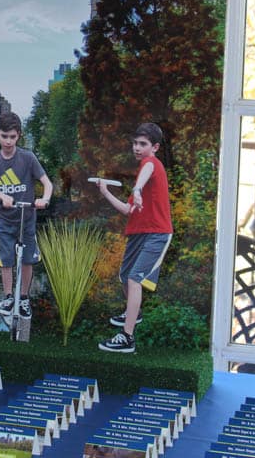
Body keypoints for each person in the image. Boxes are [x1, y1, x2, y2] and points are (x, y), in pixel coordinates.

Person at [96, 122, 172, 353]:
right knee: (125, 275)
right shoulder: (143, 171)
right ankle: (134, 313)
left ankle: (127, 337)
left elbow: (146, 171)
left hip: (157, 234)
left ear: (154, 147)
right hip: (138, 233)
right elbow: (128, 210)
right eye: (135, 143)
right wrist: (106, 192)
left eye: (143, 144)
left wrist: (137, 189)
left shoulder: (151, 164)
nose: (137, 148)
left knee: (134, 279)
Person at [0, 112, 52, 323]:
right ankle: (8, 297)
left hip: (27, 218)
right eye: (4, 136)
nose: (8, 141)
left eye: (12, 137)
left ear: (18, 136)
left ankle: (23, 298)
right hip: (5, 220)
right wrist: (1, 196)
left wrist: (44, 199)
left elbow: (48, 183)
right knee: (6, 260)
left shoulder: (27, 158)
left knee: (28, 259)